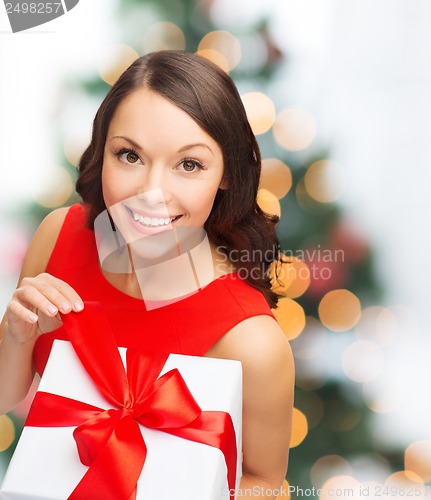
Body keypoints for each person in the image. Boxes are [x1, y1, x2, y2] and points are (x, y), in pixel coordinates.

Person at [0, 50, 294, 497]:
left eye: (189, 165)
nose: (151, 193)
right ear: (103, 152)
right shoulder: (59, 235)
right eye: (129, 155)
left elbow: (265, 483)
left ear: (227, 175)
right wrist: (15, 336)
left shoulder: (251, 340)